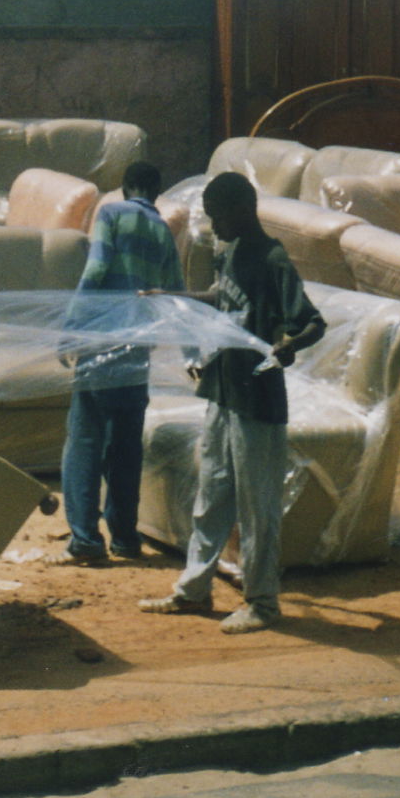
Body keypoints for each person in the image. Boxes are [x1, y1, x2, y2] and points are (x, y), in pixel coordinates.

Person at [139, 170, 324, 633]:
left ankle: (262, 603)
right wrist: (173, 298)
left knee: (257, 506)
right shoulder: (231, 253)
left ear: (242, 211)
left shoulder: (272, 258)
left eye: (217, 217)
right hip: (222, 392)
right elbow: (221, 303)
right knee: (212, 495)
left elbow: (312, 322)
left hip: (257, 399)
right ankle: (193, 590)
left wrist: (288, 346)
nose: (213, 226)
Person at [54, 161, 183, 567]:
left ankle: (85, 539)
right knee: (126, 446)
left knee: (86, 439)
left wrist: (72, 325)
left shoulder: (110, 214)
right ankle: (125, 538)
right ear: (155, 192)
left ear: (125, 189)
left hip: (102, 341)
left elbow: (95, 271)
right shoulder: (163, 231)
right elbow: (176, 294)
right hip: (136, 349)